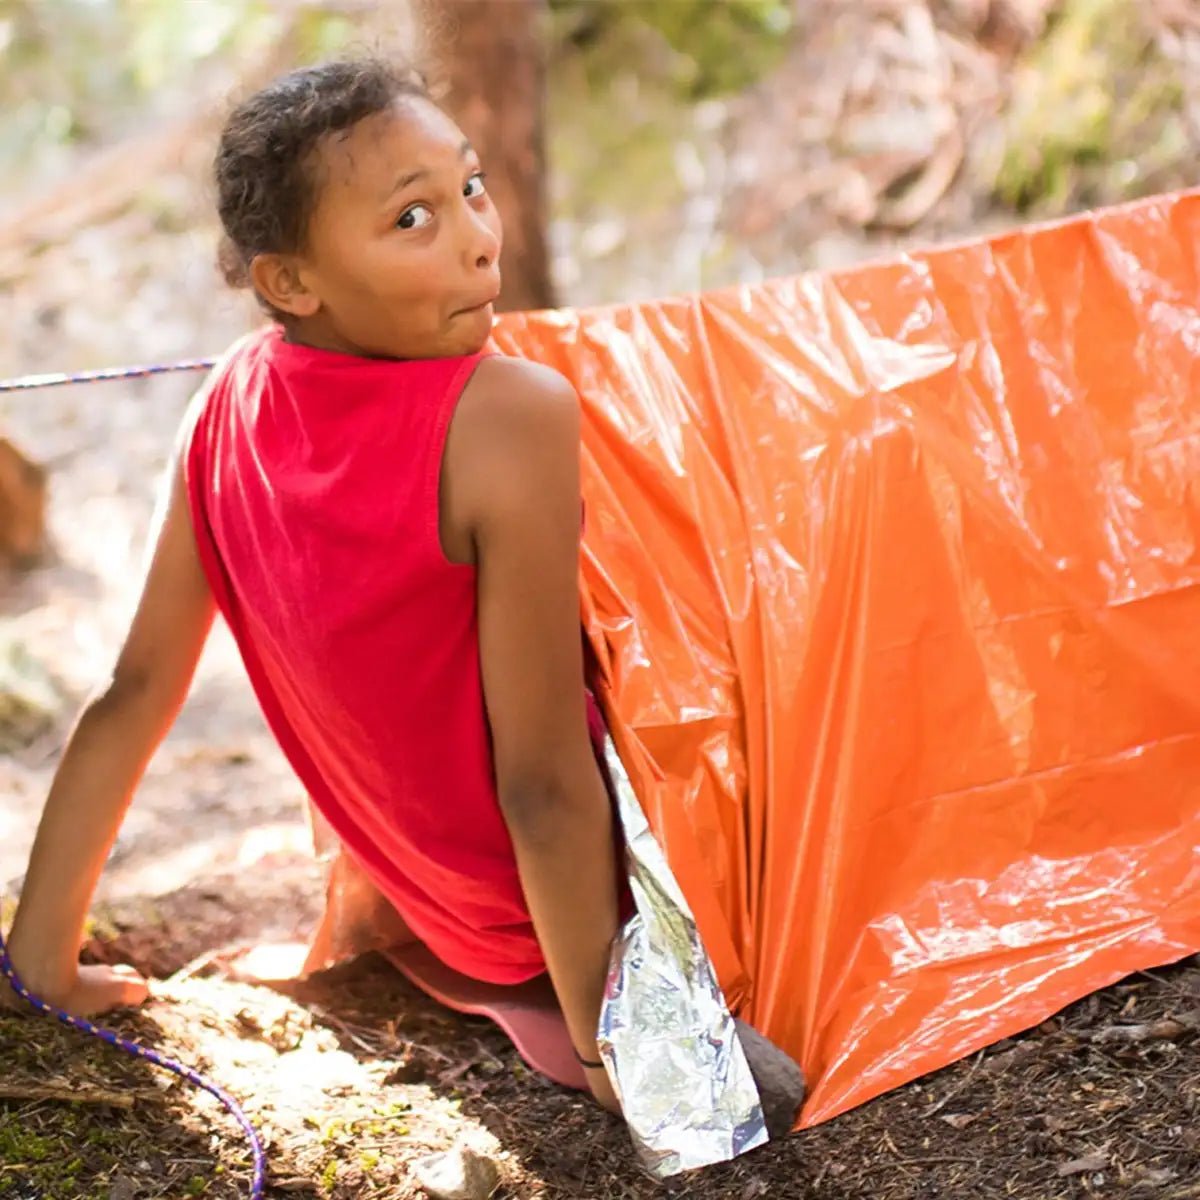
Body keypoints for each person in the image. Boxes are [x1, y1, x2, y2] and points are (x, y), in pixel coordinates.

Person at [1, 57, 623, 1114]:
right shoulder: (510, 414)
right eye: (411, 219)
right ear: (289, 282)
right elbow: (544, 785)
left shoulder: (224, 404)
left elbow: (133, 696)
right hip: (549, 934)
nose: (480, 234)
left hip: (432, 907)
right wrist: (616, 1051)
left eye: (467, 186)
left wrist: (40, 965)